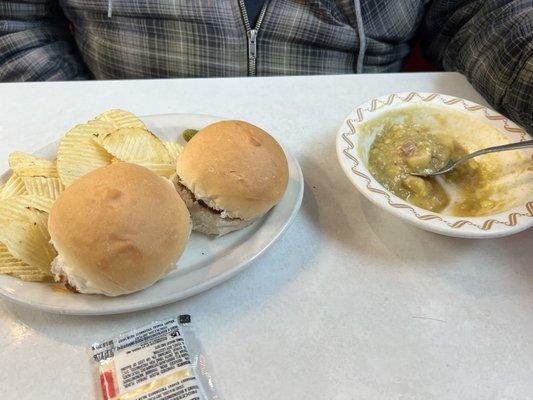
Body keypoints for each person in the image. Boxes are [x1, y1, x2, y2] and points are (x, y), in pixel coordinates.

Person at [0, 1, 531, 131]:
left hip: (369, 168)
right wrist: (76, 131)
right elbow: (14, 21)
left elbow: (479, 12)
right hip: (124, 148)